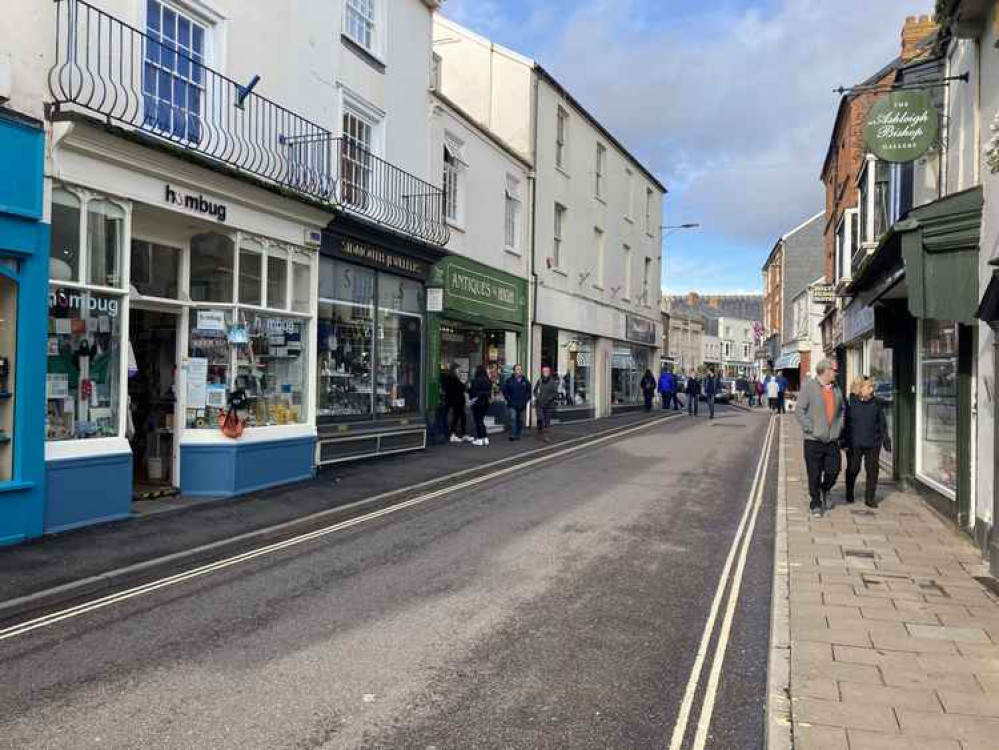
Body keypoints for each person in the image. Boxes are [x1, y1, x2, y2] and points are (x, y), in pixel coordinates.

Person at [796, 359, 845, 518]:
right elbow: (799, 410)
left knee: (834, 469)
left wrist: (839, 426)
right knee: (814, 473)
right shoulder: (809, 386)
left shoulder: (836, 388)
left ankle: (825, 488)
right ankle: (815, 502)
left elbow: (842, 409)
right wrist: (811, 428)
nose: (836, 373)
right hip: (813, 440)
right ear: (825, 371)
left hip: (832, 439)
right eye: (834, 370)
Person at [842, 376, 891, 508]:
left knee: (873, 470)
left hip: (873, 443)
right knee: (853, 469)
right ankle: (849, 491)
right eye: (869, 387)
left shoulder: (876, 403)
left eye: (872, 387)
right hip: (854, 443)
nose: (872, 389)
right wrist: (844, 442)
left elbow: (882, 423)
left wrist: (886, 440)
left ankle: (870, 498)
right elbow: (845, 424)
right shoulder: (850, 403)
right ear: (860, 389)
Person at [502, 364, 532, 441]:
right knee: (513, 418)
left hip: (522, 404)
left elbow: (529, 392)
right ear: (514, 371)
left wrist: (526, 399)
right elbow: (505, 391)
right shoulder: (509, 380)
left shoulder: (525, 381)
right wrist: (508, 398)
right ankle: (513, 434)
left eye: (520, 369)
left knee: (520, 420)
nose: (519, 371)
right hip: (512, 404)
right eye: (518, 369)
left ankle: (518, 434)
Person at [442, 363, 470, 443]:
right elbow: (459, 389)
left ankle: (455, 434)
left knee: (458, 417)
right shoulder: (452, 379)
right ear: (454, 370)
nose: (460, 372)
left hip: (456, 402)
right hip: (455, 401)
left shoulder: (452, 378)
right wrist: (464, 385)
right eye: (458, 370)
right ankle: (455, 434)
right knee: (459, 417)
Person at [468, 364, 493, 446]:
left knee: (478, 421)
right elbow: (489, 392)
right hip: (485, 402)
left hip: (477, 402)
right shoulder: (488, 380)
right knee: (481, 420)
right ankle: (485, 438)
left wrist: (467, 389)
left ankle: (480, 438)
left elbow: (472, 392)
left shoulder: (475, 380)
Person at [534, 363, 559, 443]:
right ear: (542, 372)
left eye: (547, 371)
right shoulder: (539, 381)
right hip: (539, 404)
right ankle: (540, 430)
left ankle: (546, 436)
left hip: (548, 404)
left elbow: (555, 393)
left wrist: (549, 399)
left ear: (549, 372)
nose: (545, 372)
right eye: (544, 371)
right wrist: (537, 397)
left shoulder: (553, 382)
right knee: (540, 418)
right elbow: (535, 391)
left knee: (547, 421)